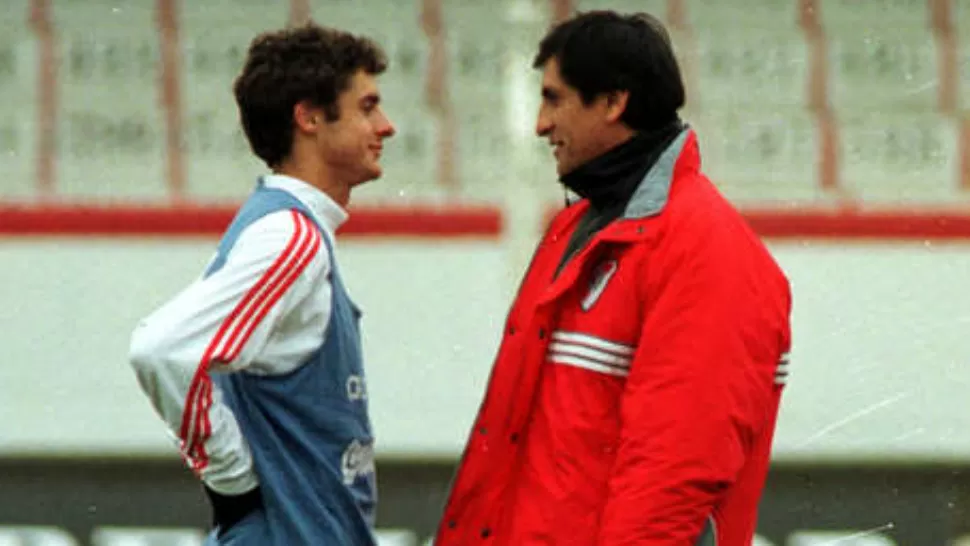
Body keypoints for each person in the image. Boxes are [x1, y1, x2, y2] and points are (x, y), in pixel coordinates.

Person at [434, 10, 792, 546]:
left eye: (554, 99)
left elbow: (670, 485)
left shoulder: (707, 250)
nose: (539, 124)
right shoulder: (578, 228)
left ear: (613, 102)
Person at [128, 22, 395, 545]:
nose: (386, 126)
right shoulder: (290, 237)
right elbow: (161, 350)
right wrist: (234, 486)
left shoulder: (286, 229)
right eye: (367, 107)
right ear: (309, 117)